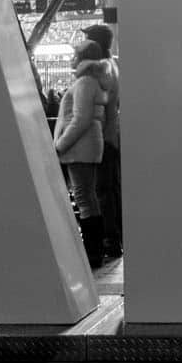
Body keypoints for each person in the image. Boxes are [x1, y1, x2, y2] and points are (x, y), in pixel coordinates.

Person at [54, 39, 110, 268]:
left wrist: (60, 145)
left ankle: (92, 252)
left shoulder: (85, 82)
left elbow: (80, 118)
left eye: (74, 54)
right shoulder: (91, 80)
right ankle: (94, 250)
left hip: (79, 148)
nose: (71, 58)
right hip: (86, 147)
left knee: (84, 198)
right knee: (87, 197)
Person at [82, 23, 123, 259]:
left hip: (101, 137)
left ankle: (109, 239)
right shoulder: (113, 66)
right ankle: (113, 237)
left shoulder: (100, 70)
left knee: (101, 191)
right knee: (110, 189)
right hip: (111, 135)